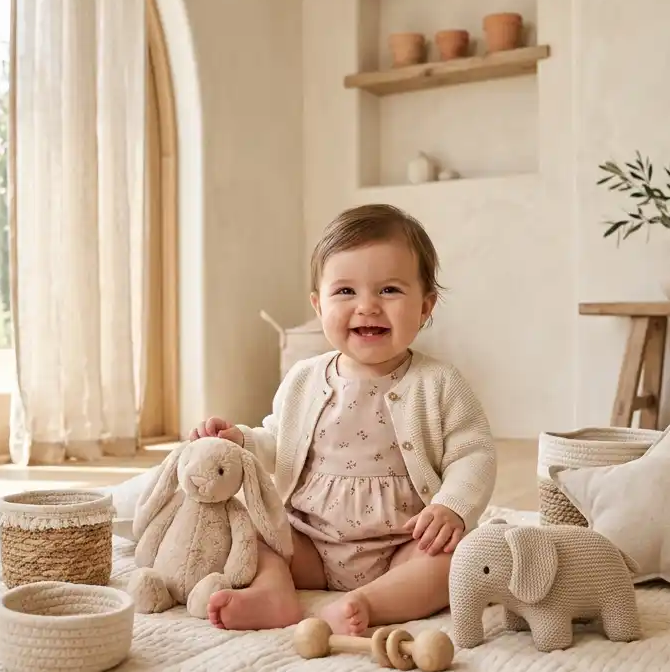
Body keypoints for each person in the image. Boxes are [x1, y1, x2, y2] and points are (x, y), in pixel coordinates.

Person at [190, 203, 497, 636]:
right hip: (311, 540)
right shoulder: (303, 378)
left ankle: (367, 603)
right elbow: (278, 440)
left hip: (403, 544)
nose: (367, 307)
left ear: (426, 306)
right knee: (252, 529)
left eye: (389, 290)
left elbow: (474, 454)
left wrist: (453, 507)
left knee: (457, 560)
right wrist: (240, 440)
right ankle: (273, 592)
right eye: (346, 292)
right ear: (319, 305)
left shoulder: (439, 382)